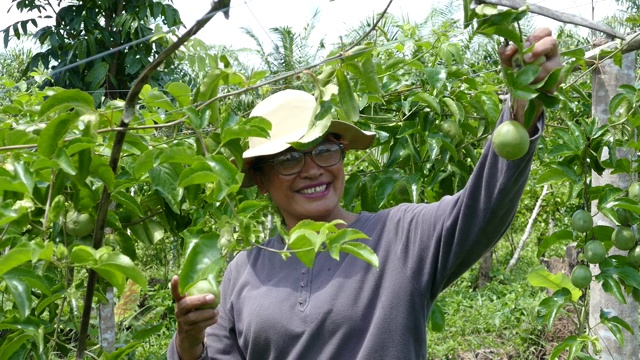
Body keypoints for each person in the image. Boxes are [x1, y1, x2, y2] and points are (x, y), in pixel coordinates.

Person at [168, 27, 562, 360]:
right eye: (289, 159)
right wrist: (188, 342)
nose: (313, 169)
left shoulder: (400, 239)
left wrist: (520, 107)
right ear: (262, 179)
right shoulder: (245, 270)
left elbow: (482, 208)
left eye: (325, 150)